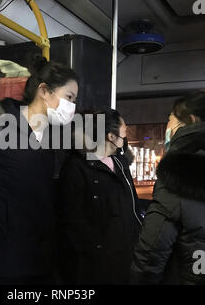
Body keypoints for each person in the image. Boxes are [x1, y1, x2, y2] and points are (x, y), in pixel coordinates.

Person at [0, 56, 79, 284]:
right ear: (44, 91)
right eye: (69, 97)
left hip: (40, 258)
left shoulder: (53, 140)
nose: (72, 107)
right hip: (3, 258)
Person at [131, 92, 205, 284]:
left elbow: (151, 253)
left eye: (170, 118)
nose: (167, 126)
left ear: (191, 120)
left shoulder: (178, 174)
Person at [56, 109, 143, 284]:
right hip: (95, 264)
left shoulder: (120, 163)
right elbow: (72, 217)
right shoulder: (77, 166)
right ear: (111, 136)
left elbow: (131, 204)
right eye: (124, 129)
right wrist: (93, 250)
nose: (126, 133)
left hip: (125, 255)